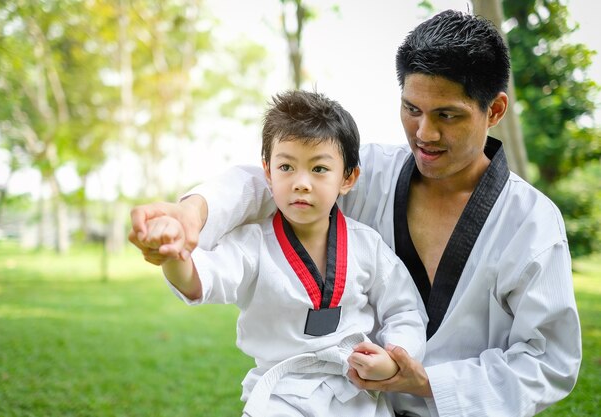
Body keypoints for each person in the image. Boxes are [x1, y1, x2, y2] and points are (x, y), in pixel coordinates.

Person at [129, 9, 582, 417]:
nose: (424, 132)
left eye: (447, 115)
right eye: (412, 109)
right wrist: (193, 215)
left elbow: (549, 362)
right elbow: (269, 181)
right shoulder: (372, 173)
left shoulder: (532, 223)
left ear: (495, 109)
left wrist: (425, 382)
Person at [135, 90, 426, 416]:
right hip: (281, 398)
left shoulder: (368, 245)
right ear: (268, 173)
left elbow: (405, 310)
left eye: (319, 169)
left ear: (348, 178)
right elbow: (201, 280)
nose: (301, 182)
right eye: (286, 166)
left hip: (356, 393)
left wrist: (393, 357)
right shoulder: (252, 244)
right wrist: (174, 254)